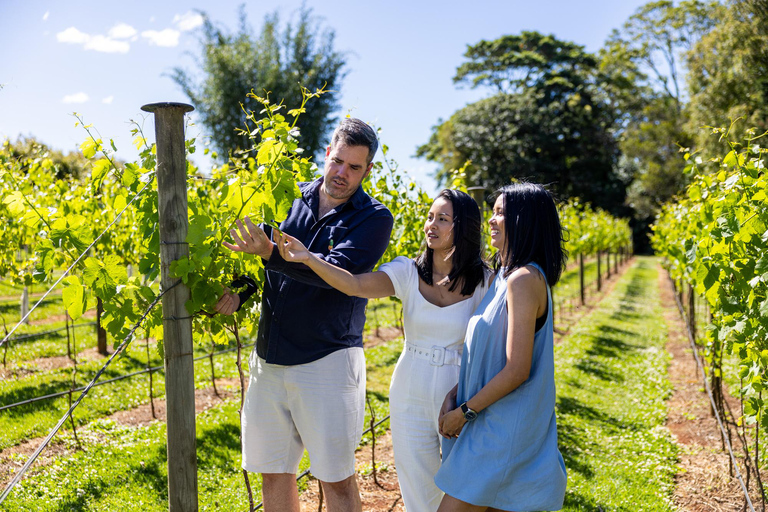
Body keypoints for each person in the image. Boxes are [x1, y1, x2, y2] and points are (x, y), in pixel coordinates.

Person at [215, 117, 394, 512]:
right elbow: (256, 257)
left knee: (336, 479)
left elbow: (336, 275)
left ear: (367, 171)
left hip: (326, 360)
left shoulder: (373, 219)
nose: (342, 173)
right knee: (274, 472)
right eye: (338, 161)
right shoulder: (288, 197)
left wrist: (270, 253)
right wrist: (240, 291)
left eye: (354, 167)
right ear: (327, 153)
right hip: (269, 359)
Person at [273, 189, 491, 512]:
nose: (431, 225)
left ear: (465, 228)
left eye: (442, 219)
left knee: (465, 484)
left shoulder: (485, 282)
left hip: (459, 388)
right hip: (410, 384)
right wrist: (309, 258)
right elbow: (355, 284)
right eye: (430, 217)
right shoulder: (408, 272)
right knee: (417, 485)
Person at [435, 183, 568, 512]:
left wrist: (463, 413)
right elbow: (489, 355)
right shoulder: (503, 277)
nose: (491, 220)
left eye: (500, 213)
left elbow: (517, 369)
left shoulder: (524, 281)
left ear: (525, 221)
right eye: (491, 212)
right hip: (490, 422)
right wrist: (456, 392)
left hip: (502, 430)